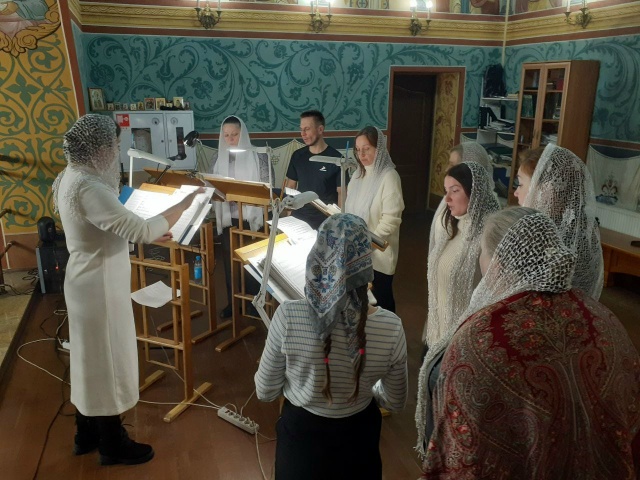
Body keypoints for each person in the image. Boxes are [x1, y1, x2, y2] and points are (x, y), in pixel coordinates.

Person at [417, 207, 640, 479]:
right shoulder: (604, 320)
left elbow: (464, 454)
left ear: (497, 264)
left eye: (482, 252)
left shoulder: (479, 339)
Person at [52, 114, 202, 466]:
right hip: (99, 287)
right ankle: (111, 443)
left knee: (89, 360)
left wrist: (146, 231)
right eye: (114, 145)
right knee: (107, 362)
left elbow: (109, 228)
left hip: (85, 279)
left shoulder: (71, 175)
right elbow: (139, 230)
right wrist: (185, 204)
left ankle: (85, 433)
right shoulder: (88, 187)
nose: (116, 152)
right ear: (98, 147)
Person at [255, 214, 408, 480]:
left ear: (319, 254)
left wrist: (300, 382)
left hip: (302, 442)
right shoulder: (391, 327)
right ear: (365, 262)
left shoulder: (288, 316)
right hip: (359, 440)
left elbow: (265, 391)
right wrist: (365, 386)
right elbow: (395, 401)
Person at [423, 161, 499, 349]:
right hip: (437, 335)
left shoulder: (488, 237)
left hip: (464, 341)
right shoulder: (450, 227)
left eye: (455, 191)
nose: (447, 198)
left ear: (475, 192)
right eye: (446, 190)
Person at [514, 144, 604, 300]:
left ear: (546, 191)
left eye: (521, 184)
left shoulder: (545, 238)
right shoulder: (580, 229)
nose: (516, 192)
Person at [211, 115, 273, 319]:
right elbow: (213, 186)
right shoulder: (218, 158)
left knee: (253, 262)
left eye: (235, 135)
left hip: (252, 219)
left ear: (243, 134)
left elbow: (268, 189)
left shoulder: (259, 157)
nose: (230, 139)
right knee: (230, 263)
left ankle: (254, 302)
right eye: (226, 135)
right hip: (229, 218)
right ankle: (233, 302)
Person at [345, 126, 404, 312]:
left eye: (366, 149)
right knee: (363, 303)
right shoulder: (357, 175)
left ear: (379, 149)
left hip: (379, 254)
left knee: (381, 302)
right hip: (357, 252)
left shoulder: (389, 177)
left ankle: (392, 330)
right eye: (358, 149)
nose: (361, 154)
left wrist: (367, 244)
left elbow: (391, 220)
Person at [285, 110, 344, 230]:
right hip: (298, 218)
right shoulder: (297, 156)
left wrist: (338, 222)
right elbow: (290, 186)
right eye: (301, 129)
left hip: (325, 221)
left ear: (320, 129)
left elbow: (342, 193)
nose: (303, 134)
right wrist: (289, 213)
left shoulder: (337, 159)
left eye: (307, 129)